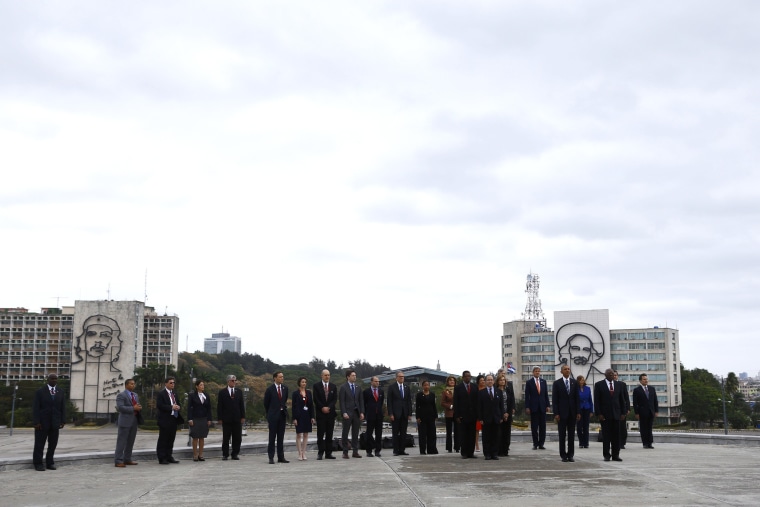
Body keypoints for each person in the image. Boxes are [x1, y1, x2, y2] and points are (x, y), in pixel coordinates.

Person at [32, 373, 66, 471]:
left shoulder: (61, 391)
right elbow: (35, 408)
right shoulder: (40, 392)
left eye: (56, 379)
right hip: (41, 424)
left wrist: (63, 420)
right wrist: (36, 422)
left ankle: (49, 463)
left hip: (55, 423)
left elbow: (63, 407)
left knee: (53, 444)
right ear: (48, 379)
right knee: (39, 444)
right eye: (52, 378)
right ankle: (38, 463)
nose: (54, 380)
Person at [594, 368, 627, 461]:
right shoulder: (599, 385)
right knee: (606, 436)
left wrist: (623, 413)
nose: (612, 375)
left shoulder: (619, 385)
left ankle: (616, 455)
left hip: (617, 414)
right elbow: (597, 401)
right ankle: (606, 455)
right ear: (605, 375)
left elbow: (622, 400)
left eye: (613, 373)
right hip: (605, 415)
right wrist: (599, 413)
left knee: (616, 436)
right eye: (609, 373)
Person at [552, 364, 581, 462]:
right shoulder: (557, 383)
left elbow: (577, 398)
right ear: (561, 371)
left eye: (568, 369)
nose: (567, 370)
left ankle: (570, 454)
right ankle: (563, 455)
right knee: (562, 435)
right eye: (565, 369)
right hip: (561, 413)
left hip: (572, 413)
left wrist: (578, 412)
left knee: (571, 435)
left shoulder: (574, 383)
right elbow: (555, 400)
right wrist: (556, 413)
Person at [114, 378, 143, 467]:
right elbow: (120, 408)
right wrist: (133, 408)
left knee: (131, 441)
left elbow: (135, 405)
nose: (133, 385)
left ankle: (127, 459)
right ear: (126, 385)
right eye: (131, 384)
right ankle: (118, 460)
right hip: (125, 421)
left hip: (134, 420)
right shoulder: (121, 395)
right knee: (121, 441)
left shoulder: (135, 395)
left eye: (134, 384)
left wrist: (138, 408)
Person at [477, 374, 506, 460]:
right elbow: (479, 407)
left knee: (495, 437)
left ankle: (494, 453)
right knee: (486, 437)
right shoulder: (481, 392)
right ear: (485, 382)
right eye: (488, 380)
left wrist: (501, 416)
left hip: (496, 418)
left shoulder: (498, 392)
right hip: (486, 418)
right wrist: (480, 418)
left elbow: (501, 406)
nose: (490, 381)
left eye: (491, 380)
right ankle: (487, 454)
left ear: (493, 381)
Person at [156, 377, 183, 464]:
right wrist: (171, 407)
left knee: (171, 439)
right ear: (166, 384)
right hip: (165, 419)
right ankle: (162, 457)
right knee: (163, 439)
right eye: (171, 383)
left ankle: (169, 456)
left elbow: (178, 403)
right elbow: (160, 405)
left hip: (173, 418)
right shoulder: (161, 393)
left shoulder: (174, 393)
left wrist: (178, 407)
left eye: (173, 383)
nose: (172, 384)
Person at [217, 374, 245, 460]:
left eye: (235, 380)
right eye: (232, 381)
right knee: (226, 437)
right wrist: (220, 418)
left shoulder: (239, 392)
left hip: (237, 418)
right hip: (226, 419)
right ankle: (225, 454)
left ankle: (235, 453)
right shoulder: (222, 392)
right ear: (228, 381)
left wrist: (243, 416)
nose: (234, 382)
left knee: (237, 437)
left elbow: (241, 405)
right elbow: (220, 406)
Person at [264, 371, 289, 464]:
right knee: (272, 437)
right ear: (275, 378)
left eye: (282, 377)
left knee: (281, 437)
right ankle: (271, 457)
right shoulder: (270, 389)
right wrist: (270, 413)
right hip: (273, 416)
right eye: (280, 377)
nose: (282, 378)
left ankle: (281, 456)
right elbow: (266, 403)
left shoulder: (285, 388)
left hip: (282, 416)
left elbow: (284, 400)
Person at [313, 369, 338, 460]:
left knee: (329, 434)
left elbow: (334, 399)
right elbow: (316, 399)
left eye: (328, 375)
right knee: (320, 434)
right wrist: (322, 407)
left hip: (330, 414)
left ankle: (329, 453)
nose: (327, 377)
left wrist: (329, 407)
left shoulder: (333, 386)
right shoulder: (316, 386)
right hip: (321, 414)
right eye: (326, 375)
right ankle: (320, 453)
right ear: (322, 376)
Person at [386, 370, 412, 456]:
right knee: (395, 433)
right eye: (400, 377)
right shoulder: (392, 387)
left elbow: (408, 401)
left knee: (403, 433)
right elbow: (389, 401)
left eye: (403, 377)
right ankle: (395, 450)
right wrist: (391, 413)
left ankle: (402, 450)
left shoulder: (406, 387)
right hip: (395, 414)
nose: (402, 378)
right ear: (396, 378)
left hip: (404, 414)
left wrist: (409, 413)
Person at [454, 370, 478, 459]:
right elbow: (456, 402)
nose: (468, 377)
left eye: (469, 376)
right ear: (463, 377)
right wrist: (457, 415)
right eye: (466, 376)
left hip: (473, 415)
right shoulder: (458, 388)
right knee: (463, 435)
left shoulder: (475, 387)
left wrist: (478, 414)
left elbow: (477, 401)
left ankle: (471, 452)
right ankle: (464, 452)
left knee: (472, 435)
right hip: (462, 415)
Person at [525, 366, 550, 450]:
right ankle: (535, 444)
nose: (537, 372)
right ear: (533, 372)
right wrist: (527, 407)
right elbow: (527, 396)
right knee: (534, 427)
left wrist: (548, 405)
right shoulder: (529, 382)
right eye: (536, 371)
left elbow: (546, 395)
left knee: (543, 427)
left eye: (539, 371)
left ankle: (541, 444)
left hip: (542, 407)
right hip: (533, 407)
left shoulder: (543, 382)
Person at [633, 373, 659, 449]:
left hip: (651, 411)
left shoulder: (652, 389)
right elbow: (635, 403)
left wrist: (656, 411)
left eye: (646, 379)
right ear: (640, 381)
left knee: (649, 428)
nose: (646, 381)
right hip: (642, 412)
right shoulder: (637, 390)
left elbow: (655, 401)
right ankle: (645, 443)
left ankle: (650, 443)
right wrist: (636, 413)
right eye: (644, 379)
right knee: (643, 428)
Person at [292, 376, 316, 461]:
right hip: (299, 415)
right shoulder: (295, 393)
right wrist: (294, 418)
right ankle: (299, 453)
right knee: (299, 434)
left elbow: (311, 406)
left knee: (306, 434)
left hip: (307, 415)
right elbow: (293, 407)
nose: (304, 383)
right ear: (299, 383)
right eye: (302, 382)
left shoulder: (309, 393)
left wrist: (312, 416)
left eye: (305, 382)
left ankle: (304, 452)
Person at [188, 379, 212, 462]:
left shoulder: (206, 395)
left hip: (204, 418)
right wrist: (190, 419)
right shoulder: (192, 395)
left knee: (202, 437)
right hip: (195, 418)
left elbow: (209, 408)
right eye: (201, 385)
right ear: (197, 386)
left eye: (203, 385)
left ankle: (201, 454)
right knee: (195, 437)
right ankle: (195, 454)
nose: (202, 386)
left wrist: (209, 419)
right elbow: (189, 408)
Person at [362, 376, 385, 457]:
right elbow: (364, 404)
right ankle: (369, 451)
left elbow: (381, 403)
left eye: (378, 381)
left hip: (379, 415)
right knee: (369, 433)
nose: (377, 383)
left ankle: (377, 450)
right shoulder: (366, 392)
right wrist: (365, 413)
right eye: (375, 381)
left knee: (379, 434)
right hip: (370, 415)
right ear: (371, 382)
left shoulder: (381, 391)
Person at [415, 380, 439, 455]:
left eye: (428, 385)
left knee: (432, 434)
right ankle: (422, 450)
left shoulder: (432, 394)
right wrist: (417, 417)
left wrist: (436, 415)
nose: (426, 386)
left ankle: (432, 449)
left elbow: (434, 405)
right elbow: (417, 407)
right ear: (422, 386)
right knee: (422, 435)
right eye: (425, 385)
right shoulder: (419, 395)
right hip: (422, 417)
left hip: (431, 416)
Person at [496, 374, 515, 457]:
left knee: (507, 434)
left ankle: (505, 450)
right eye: (501, 380)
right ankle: (499, 451)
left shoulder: (508, 390)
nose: (502, 381)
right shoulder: (495, 391)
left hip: (508, 414)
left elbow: (510, 402)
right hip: (499, 415)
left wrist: (508, 413)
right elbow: (496, 405)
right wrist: (502, 414)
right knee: (499, 433)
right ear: (498, 381)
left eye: (503, 380)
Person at [441, 375, 458, 453]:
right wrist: (450, 406)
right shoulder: (445, 391)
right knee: (449, 431)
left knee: (457, 431)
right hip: (449, 413)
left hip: (457, 413)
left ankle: (457, 447)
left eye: (453, 380)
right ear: (448, 382)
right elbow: (442, 403)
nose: (452, 381)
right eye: (450, 380)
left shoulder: (458, 390)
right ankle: (449, 448)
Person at [613, 370, 630, 449]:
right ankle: (614, 442)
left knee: (622, 427)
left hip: (621, 409)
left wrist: (628, 408)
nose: (614, 376)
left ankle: (622, 443)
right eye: (613, 375)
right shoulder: (609, 385)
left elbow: (626, 397)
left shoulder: (622, 384)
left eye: (616, 375)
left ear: (618, 376)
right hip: (612, 409)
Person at [576, 375, 594, 449]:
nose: (582, 381)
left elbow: (590, 400)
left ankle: (586, 443)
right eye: (580, 380)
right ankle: (581, 442)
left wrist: (591, 411)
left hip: (587, 408)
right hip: (579, 409)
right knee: (579, 427)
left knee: (586, 427)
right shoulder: (575, 389)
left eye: (583, 380)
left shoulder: (588, 388)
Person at [474, 374, 485, 451]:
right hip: (477, 412)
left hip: (486, 412)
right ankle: (476, 445)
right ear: (478, 382)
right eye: (481, 380)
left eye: (483, 380)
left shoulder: (487, 389)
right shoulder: (476, 390)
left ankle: (485, 445)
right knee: (477, 430)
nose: (483, 382)